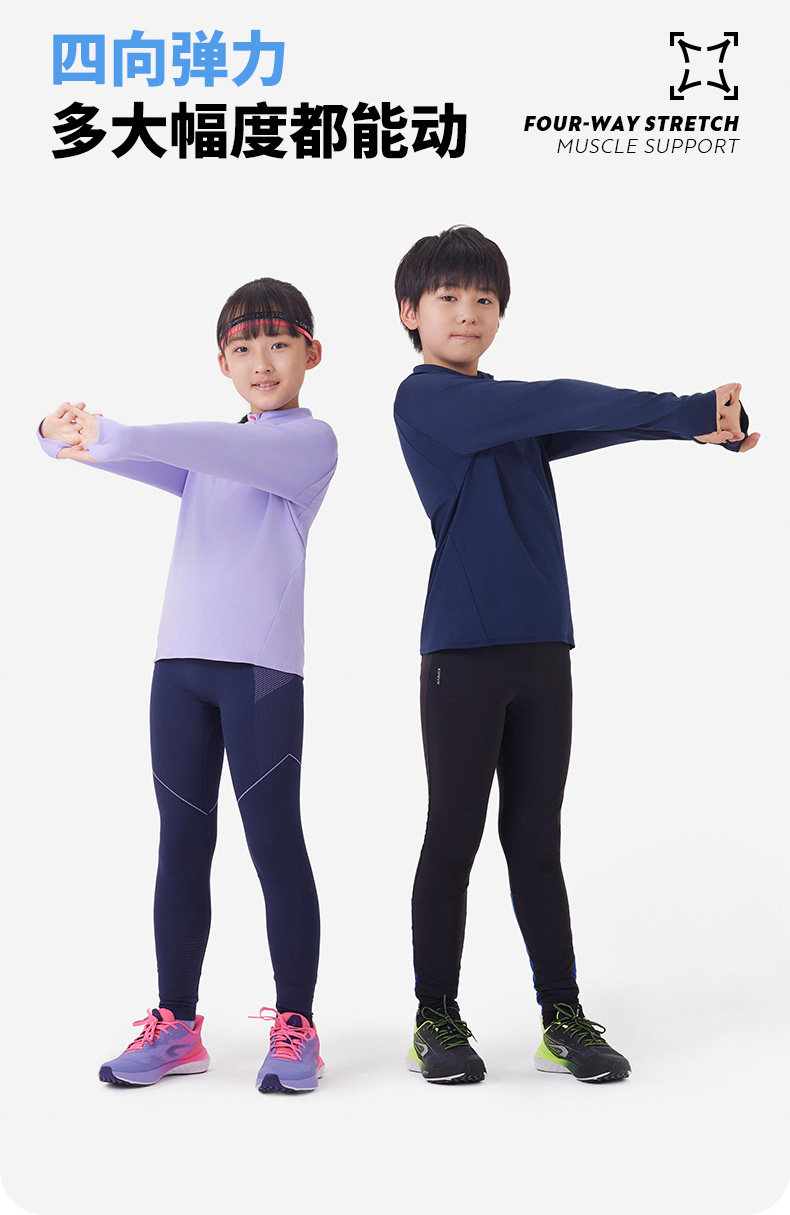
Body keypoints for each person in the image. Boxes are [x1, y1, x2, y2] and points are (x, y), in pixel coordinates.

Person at [393, 225, 758, 1086]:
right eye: (449, 297)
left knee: (535, 838)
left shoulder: (509, 416)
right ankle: (434, 1015)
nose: (468, 312)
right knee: (454, 833)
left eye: (485, 299)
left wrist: (694, 429)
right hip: (462, 653)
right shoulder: (427, 400)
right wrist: (687, 407)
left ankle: (561, 1014)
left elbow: (583, 420)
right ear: (410, 312)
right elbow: (558, 400)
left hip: (543, 649)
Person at [36, 278, 337, 1094]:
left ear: (311, 353)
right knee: (180, 845)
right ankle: (176, 1024)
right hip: (178, 671)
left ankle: (296, 1026)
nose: (261, 361)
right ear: (222, 363)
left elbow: (191, 446)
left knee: (274, 844)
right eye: (243, 348)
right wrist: (56, 433)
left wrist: (113, 431)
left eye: (278, 344)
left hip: (260, 675)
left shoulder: (308, 444)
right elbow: (123, 453)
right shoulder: (210, 456)